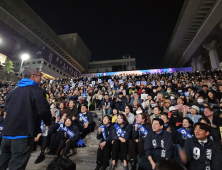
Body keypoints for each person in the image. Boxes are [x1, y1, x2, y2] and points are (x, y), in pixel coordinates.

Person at [0, 66, 51, 170]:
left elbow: (6, 111)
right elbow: (44, 110)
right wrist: (48, 122)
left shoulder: (12, 92)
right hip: (22, 136)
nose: (41, 79)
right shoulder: (37, 91)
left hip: (6, 136)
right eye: (40, 76)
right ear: (33, 76)